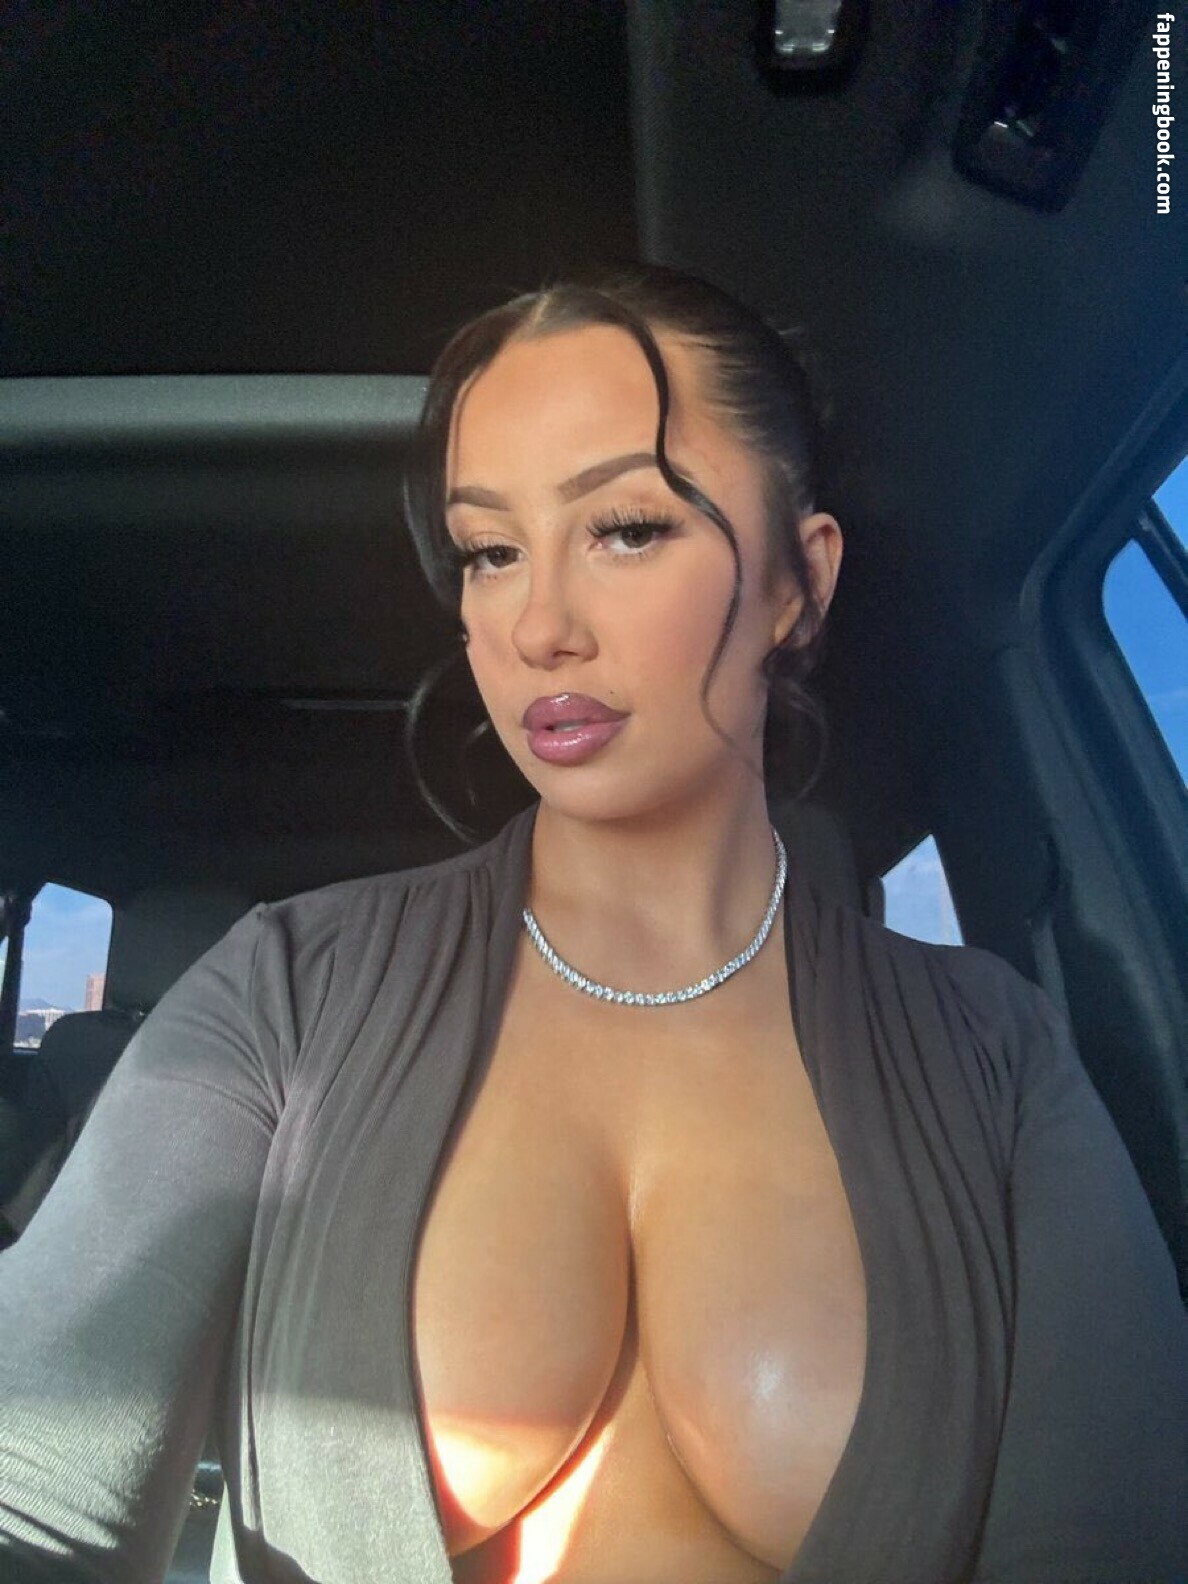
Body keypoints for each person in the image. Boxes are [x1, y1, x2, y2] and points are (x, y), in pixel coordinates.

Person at [1, 263, 1184, 1584]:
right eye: (490, 551)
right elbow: (31, 1483)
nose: (538, 625)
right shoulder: (284, 995)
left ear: (798, 581)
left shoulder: (992, 1056)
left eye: (624, 528)